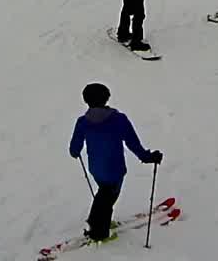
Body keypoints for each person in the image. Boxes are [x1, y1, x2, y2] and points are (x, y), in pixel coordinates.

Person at [68, 83, 162, 242]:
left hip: (96, 169)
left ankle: (98, 222)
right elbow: (133, 144)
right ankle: (99, 232)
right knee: (108, 197)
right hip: (115, 169)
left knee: (104, 194)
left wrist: (76, 152)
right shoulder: (118, 119)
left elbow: (74, 149)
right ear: (106, 98)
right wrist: (148, 157)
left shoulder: (82, 122)